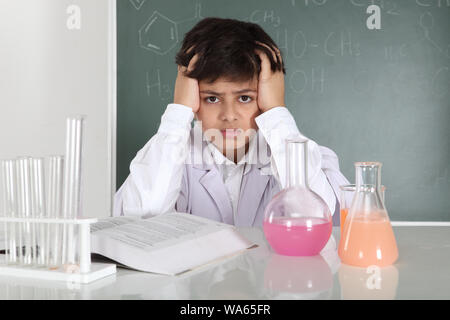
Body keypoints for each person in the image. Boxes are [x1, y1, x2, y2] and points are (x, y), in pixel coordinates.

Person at [114, 17, 350, 227]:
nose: (229, 115)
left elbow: (320, 220)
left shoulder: (308, 159)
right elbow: (136, 223)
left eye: (245, 98)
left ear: (266, 101)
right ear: (194, 102)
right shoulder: (167, 157)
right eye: (212, 98)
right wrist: (179, 110)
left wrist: (277, 111)